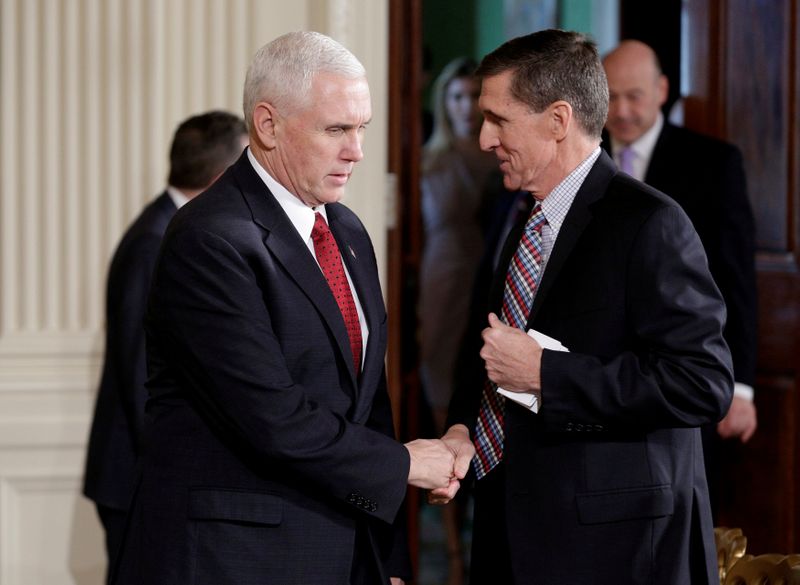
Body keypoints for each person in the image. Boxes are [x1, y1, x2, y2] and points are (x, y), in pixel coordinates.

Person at [110, 31, 464, 585]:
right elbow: (272, 417)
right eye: (336, 129)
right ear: (268, 124)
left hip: (343, 552)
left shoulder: (346, 230)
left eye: (361, 128)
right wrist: (407, 465)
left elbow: (369, 405)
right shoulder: (209, 238)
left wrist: (386, 560)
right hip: (233, 559)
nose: (357, 151)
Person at [434, 29, 734, 584]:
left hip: (612, 548)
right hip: (511, 525)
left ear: (557, 120)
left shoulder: (650, 222)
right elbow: (493, 352)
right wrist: (462, 429)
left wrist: (548, 375)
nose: (483, 139)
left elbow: (703, 381)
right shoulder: (519, 217)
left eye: (499, 119)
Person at [82, 110, 248, 580]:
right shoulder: (157, 243)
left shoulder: (166, 228)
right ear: (220, 174)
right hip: (135, 475)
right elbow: (142, 376)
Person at [601, 39, 758, 513]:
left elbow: (736, 281)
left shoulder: (714, 163)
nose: (623, 111)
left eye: (635, 96)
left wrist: (740, 386)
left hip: (681, 372)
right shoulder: (582, 161)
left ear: (662, 90)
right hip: (604, 380)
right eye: (611, 97)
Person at [419, 56, 502, 585]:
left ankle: (478, 533)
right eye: (455, 97)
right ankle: (450, 549)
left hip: (488, 274)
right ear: (443, 103)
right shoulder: (431, 161)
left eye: (474, 96)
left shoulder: (500, 159)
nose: (465, 107)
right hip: (443, 284)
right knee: (443, 400)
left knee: (485, 395)